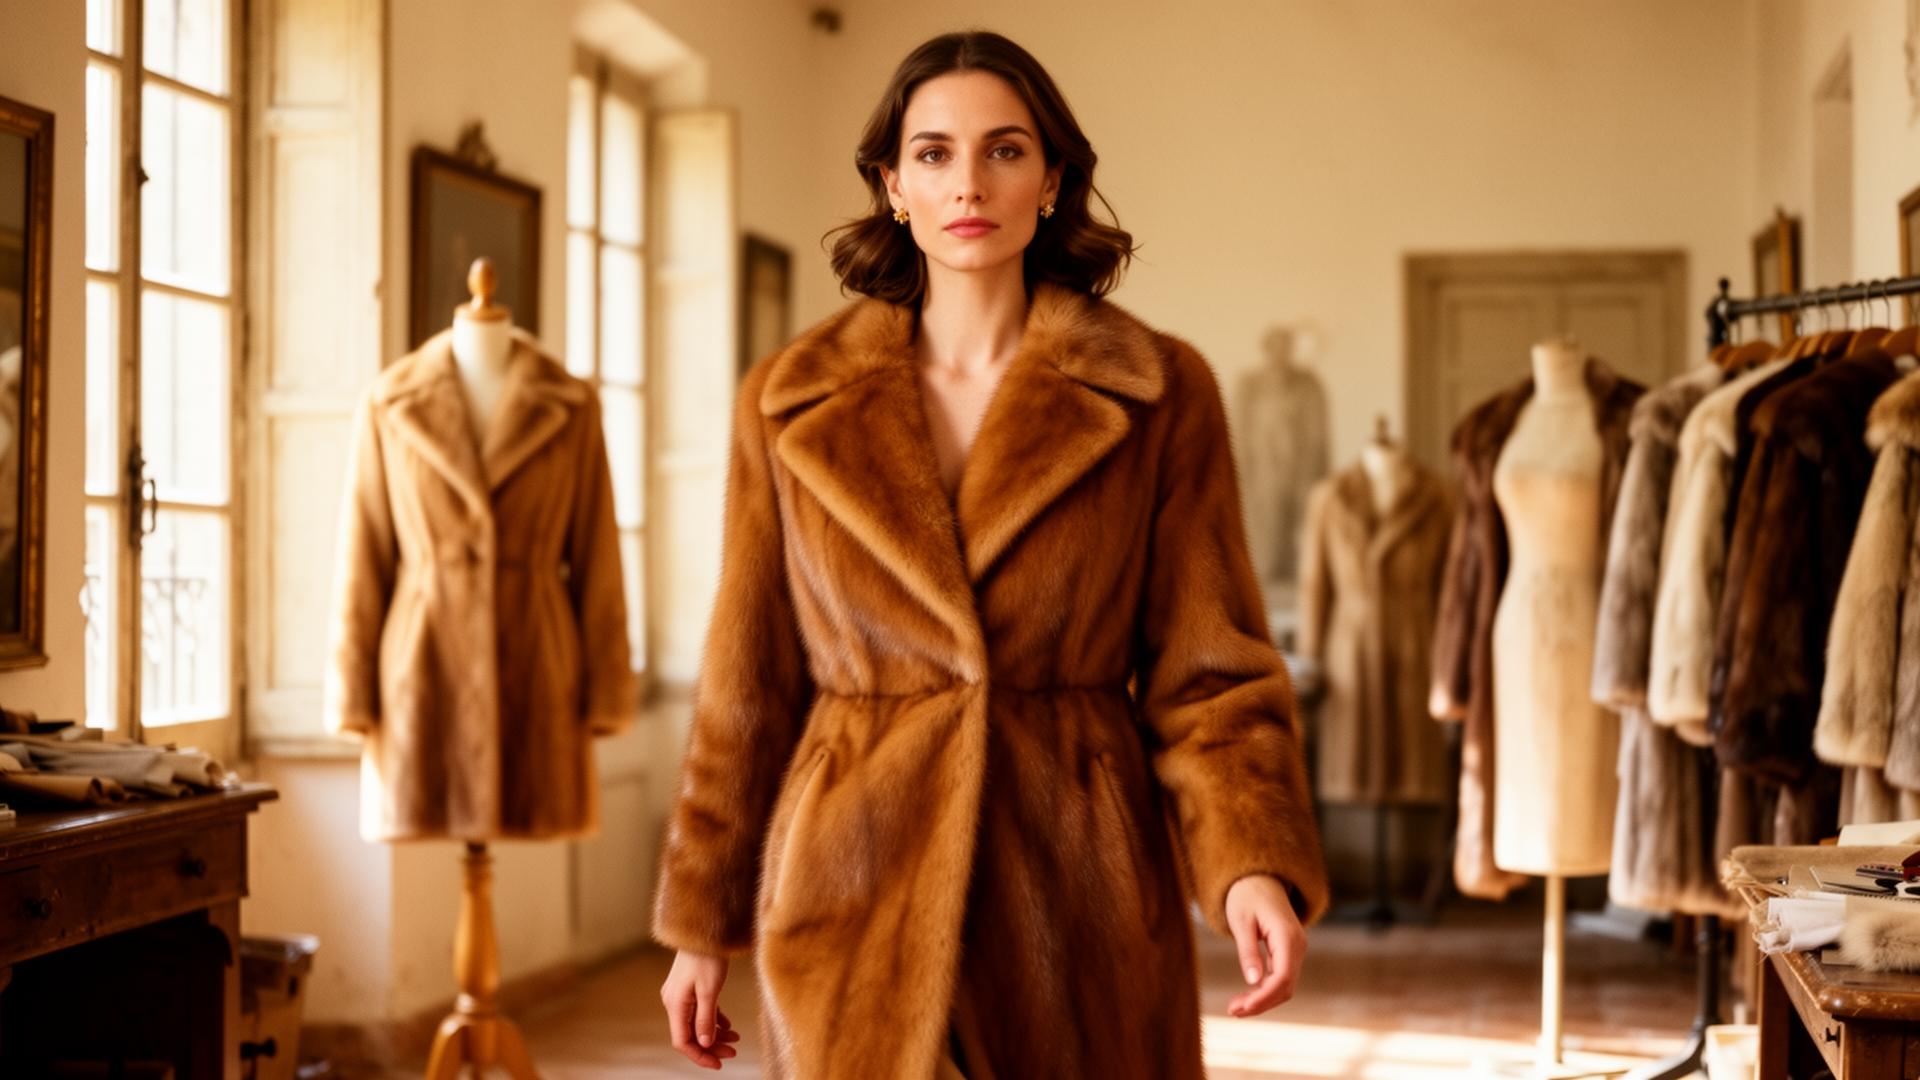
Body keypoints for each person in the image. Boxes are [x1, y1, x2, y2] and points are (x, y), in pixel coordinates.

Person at [651, 30, 1327, 1079]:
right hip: (850, 883)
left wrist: (1250, 868)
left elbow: (1213, 672)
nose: (969, 181)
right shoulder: (791, 404)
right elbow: (748, 683)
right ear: (891, 183)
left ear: (1053, 179)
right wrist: (704, 919)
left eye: (1005, 150)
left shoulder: (1155, 391)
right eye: (933, 153)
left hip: (1079, 890)